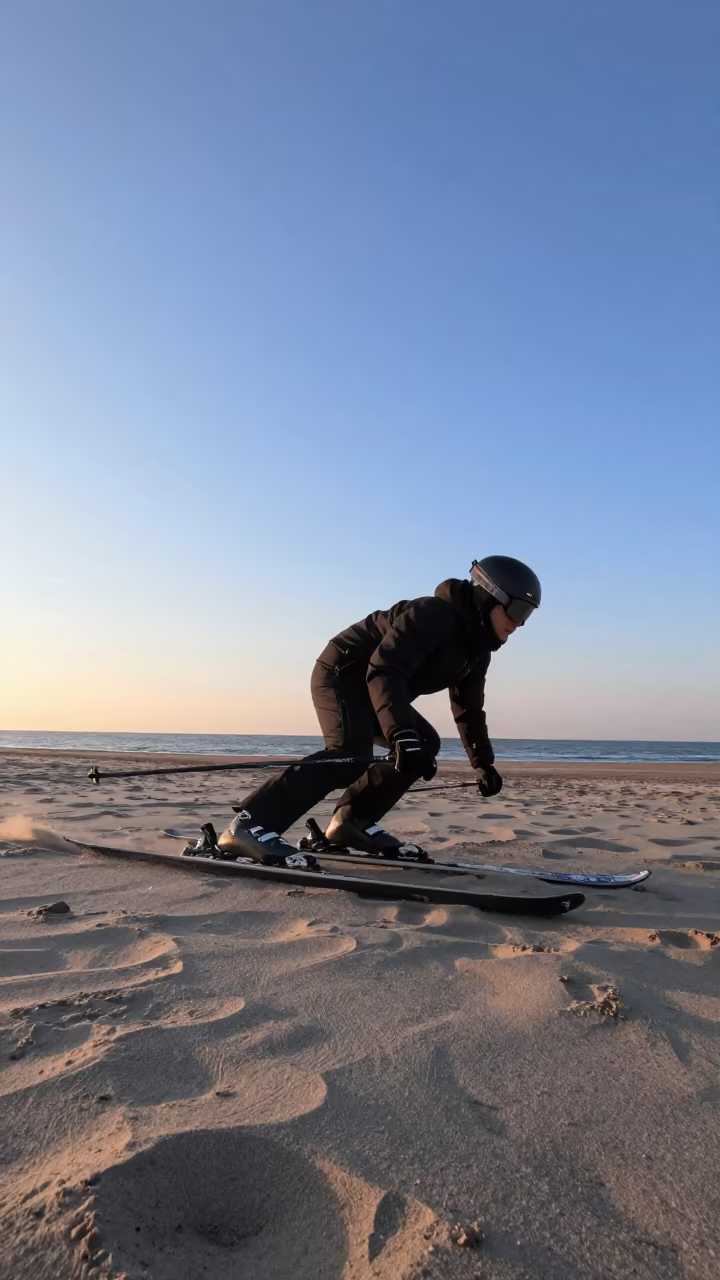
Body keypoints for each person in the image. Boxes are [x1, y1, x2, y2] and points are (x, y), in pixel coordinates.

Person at [216, 556, 541, 866]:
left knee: (425, 745)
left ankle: (351, 821)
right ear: (489, 596)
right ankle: (249, 825)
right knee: (349, 755)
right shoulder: (432, 615)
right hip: (343, 672)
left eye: (527, 614)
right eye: (517, 609)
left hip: (378, 688)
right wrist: (401, 735)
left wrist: (483, 764)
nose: (520, 623)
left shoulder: (476, 651)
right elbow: (385, 670)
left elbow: (469, 709)